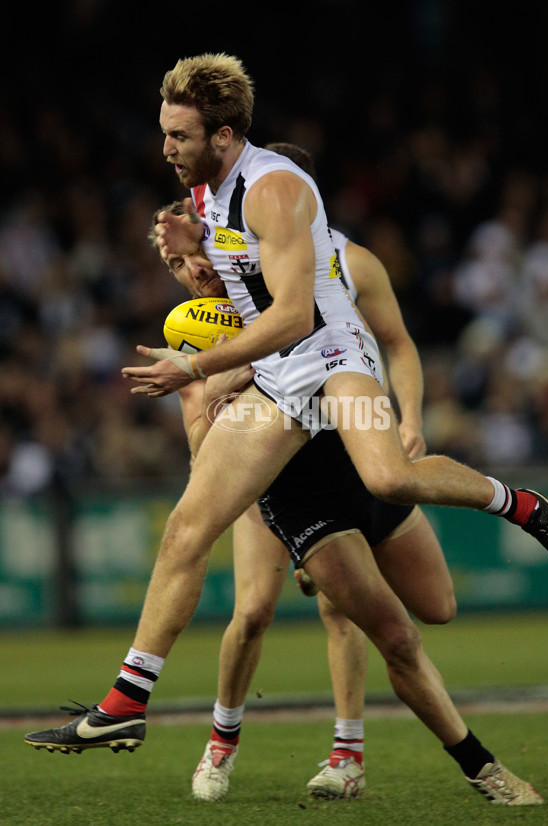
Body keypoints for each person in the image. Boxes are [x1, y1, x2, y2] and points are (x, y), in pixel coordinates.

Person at [25, 52, 548, 804]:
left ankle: (522, 504)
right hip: (282, 383)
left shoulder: (278, 189)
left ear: (223, 134)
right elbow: (246, 297)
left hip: (330, 358)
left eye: (179, 134)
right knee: (189, 526)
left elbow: (293, 316)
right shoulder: (205, 192)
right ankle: (126, 704)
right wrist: (192, 271)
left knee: (389, 476)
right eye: (165, 132)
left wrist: (195, 369)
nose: (165, 147)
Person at [144, 193, 456, 803]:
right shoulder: (209, 311)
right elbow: (205, 446)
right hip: (267, 475)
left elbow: (390, 344)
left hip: (336, 453)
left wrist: (406, 419)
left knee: (355, 609)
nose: (194, 273)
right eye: (182, 268)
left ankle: (346, 754)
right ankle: (222, 742)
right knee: (254, 611)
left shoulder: (346, 263)